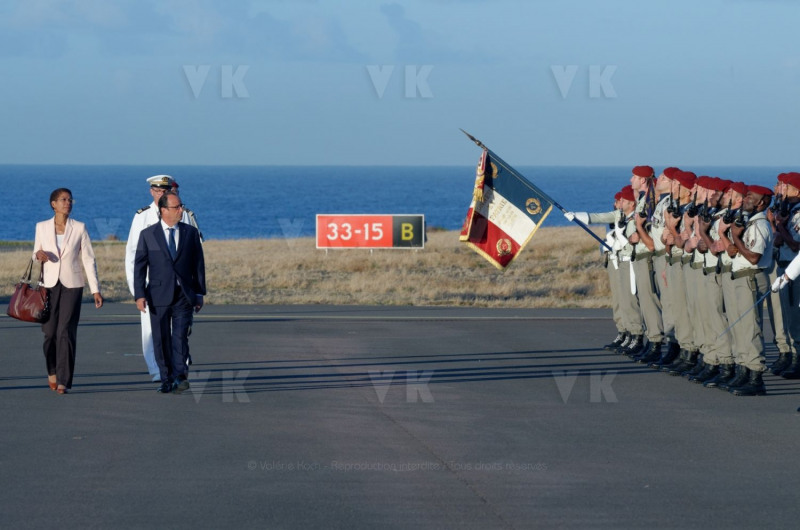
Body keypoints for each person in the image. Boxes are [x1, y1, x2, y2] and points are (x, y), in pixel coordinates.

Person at [125, 175, 203, 381]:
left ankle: (179, 370)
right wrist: (138, 291)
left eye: (165, 189)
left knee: (180, 333)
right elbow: (134, 256)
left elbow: (195, 254)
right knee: (153, 333)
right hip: (154, 288)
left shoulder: (183, 213)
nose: (162, 193)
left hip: (181, 288)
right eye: (158, 190)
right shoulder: (142, 216)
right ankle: (157, 371)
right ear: (151, 191)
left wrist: (197, 290)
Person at [33, 188, 103, 394]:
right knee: (49, 333)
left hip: (73, 284)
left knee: (66, 331)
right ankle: (52, 371)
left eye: (70, 199)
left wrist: (95, 289)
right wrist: (38, 255)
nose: (68, 203)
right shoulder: (42, 227)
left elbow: (88, 259)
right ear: (53, 204)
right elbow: (34, 254)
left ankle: (64, 380)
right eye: (63, 199)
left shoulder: (79, 227)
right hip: (48, 285)